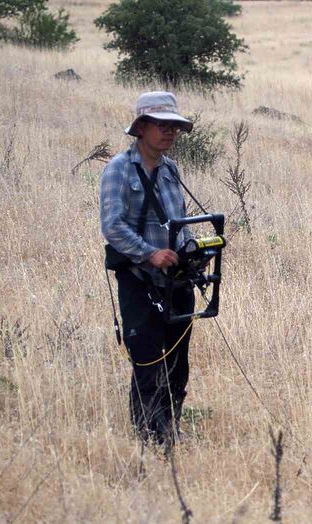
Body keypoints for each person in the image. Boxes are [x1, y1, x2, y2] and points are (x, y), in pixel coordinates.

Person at [100, 91, 195, 446]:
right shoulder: (118, 170)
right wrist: (150, 253)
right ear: (141, 127)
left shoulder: (172, 169)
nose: (170, 133)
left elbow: (180, 221)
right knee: (148, 359)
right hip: (139, 279)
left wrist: (191, 250)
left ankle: (170, 433)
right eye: (162, 125)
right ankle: (148, 438)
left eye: (175, 126)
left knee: (177, 364)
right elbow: (112, 226)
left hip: (177, 280)